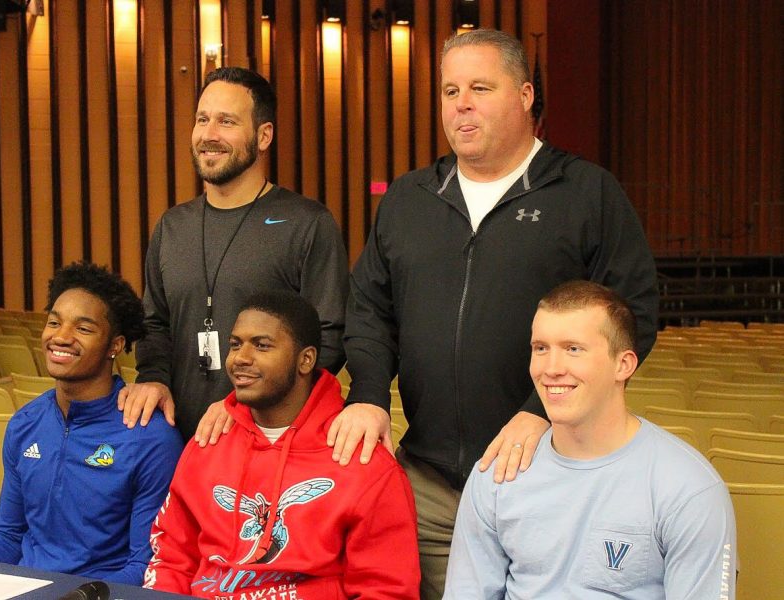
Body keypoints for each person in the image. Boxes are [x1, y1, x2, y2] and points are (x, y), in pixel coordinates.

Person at [328, 29, 659, 598]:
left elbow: (632, 316)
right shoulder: (410, 199)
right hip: (430, 485)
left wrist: (541, 412)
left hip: (550, 474)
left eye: (481, 87)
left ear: (526, 94)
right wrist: (368, 395)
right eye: (450, 90)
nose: (461, 103)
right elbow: (369, 311)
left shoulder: (585, 193)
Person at [444, 280, 736, 598]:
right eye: (541, 348)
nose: (551, 368)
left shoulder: (688, 487)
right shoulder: (497, 473)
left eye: (573, 349)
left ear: (623, 364)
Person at [119, 67, 349, 441]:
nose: (209, 135)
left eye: (226, 121)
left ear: (263, 136)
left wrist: (250, 407)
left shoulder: (307, 223)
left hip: (266, 443)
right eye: (202, 119)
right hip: (179, 440)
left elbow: (328, 336)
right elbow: (154, 323)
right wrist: (153, 379)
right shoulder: (172, 227)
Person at [143, 291, 420, 598]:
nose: (240, 358)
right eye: (235, 344)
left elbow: (385, 590)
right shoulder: (209, 440)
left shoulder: (363, 462)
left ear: (306, 360)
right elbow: (171, 559)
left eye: (262, 345)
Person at [0, 262, 184, 585]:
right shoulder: (24, 424)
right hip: (26, 587)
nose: (61, 337)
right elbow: (10, 537)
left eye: (83, 329)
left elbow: (146, 563)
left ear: (115, 345)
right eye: (54, 322)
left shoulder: (150, 437)